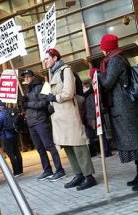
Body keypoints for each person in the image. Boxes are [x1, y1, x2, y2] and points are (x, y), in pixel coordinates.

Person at [90, 34, 138, 191]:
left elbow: (107, 82)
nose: (101, 48)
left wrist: (96, 73)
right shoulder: (114, 59)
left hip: (125, 107)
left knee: (137, 141)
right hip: (122, 107)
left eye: (103, 45)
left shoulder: (116, 60)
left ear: (107, 47)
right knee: (133, 142)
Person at [44, 48, 97, 191]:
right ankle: (78, 174)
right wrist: (49, 102)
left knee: (78, 145)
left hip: (68, 114)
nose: (45, 61)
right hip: (58, 116)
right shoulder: (53, 73)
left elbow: (68, 92)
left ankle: (89, 176)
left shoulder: (65, 70)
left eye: (47, 58)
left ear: (55, 58)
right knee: (67, 145)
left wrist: (54, 98)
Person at [20, 70, 66, 182]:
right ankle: (47, 170)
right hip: (31, 123)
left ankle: (59, 170)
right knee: (40, 149)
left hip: (41, 120)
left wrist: (27, 103)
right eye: (24, 77)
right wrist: (21, 103)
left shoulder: (41, 86)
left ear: (32, 76)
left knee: (49, 146)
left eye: (27, 76)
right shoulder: (26, 90)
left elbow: (43, 103)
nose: (25, 79)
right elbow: (26, 107)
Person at [0, 100, 23, 177]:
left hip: (6, 136)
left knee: (11, 154)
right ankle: (20, 170)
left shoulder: (0, 114)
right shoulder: (11, 111)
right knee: (17, 152)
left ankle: (16, 172)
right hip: (14, 134)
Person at [83, 80, 113, 157]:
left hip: (95, 118)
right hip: (95, 118)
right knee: (101, 135)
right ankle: (106, 151)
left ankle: (106, 152)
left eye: (84, 87)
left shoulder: (91, 96)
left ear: (87, 87)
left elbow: (93, 108)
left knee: (101, 135)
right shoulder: (91, 95)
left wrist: (92, 119)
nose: (83, 89)